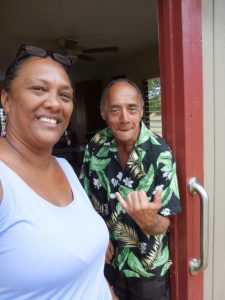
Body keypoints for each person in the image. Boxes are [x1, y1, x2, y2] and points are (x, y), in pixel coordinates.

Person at [0, 44, 118, 300]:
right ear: (6, 100)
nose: (54, 103)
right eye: (39, 89)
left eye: (65, 96)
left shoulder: (64, 168)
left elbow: (91, 275)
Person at [80, 78, 181, 300]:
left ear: (142, 112)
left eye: (132, 109)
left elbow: (165, 223)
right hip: (106, 261)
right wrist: (99, 235)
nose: (124, 118)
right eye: (115, 110)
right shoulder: (96, 146)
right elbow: (84, 199)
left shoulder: (159, 154)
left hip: (146, 269)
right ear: (103, 113)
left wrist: (149, 221)